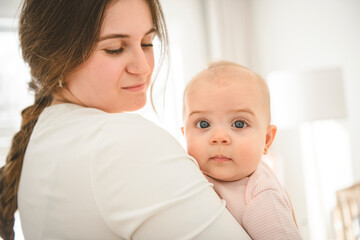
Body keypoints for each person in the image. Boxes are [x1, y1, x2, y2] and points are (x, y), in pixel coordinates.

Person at [0, 1, 252, 239]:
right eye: (115, 49)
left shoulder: (42, 134)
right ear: (56, 56)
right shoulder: (121, 141)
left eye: (147, 43)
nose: (143, 67)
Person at [181, 61, 303, 239]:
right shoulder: (186, 170)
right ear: (185, 135)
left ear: (267, 140)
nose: (219, 136)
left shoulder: (262, 197)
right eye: (203, 124)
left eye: (239, 124)